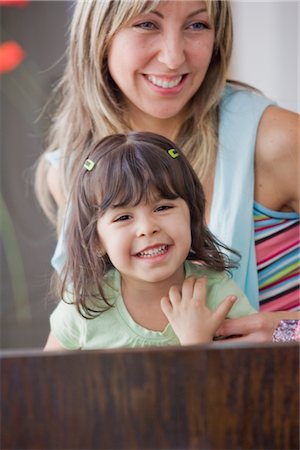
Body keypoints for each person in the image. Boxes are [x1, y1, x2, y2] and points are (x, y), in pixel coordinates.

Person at [36, 0, 299, 343]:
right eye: (147, 24)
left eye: (196, 25)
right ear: (98, 33)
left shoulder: (278, 140)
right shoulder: (73, 172)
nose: (174, 57)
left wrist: (289, 331)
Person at [44, 132, 255, 350]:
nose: (147, 228)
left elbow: (255, 378)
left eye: (162, 208)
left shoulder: (216, 295)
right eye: (123, 217)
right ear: (97, 241)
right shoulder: (85, 307)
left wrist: (197, 345)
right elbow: (41, 380)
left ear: (192, 216)